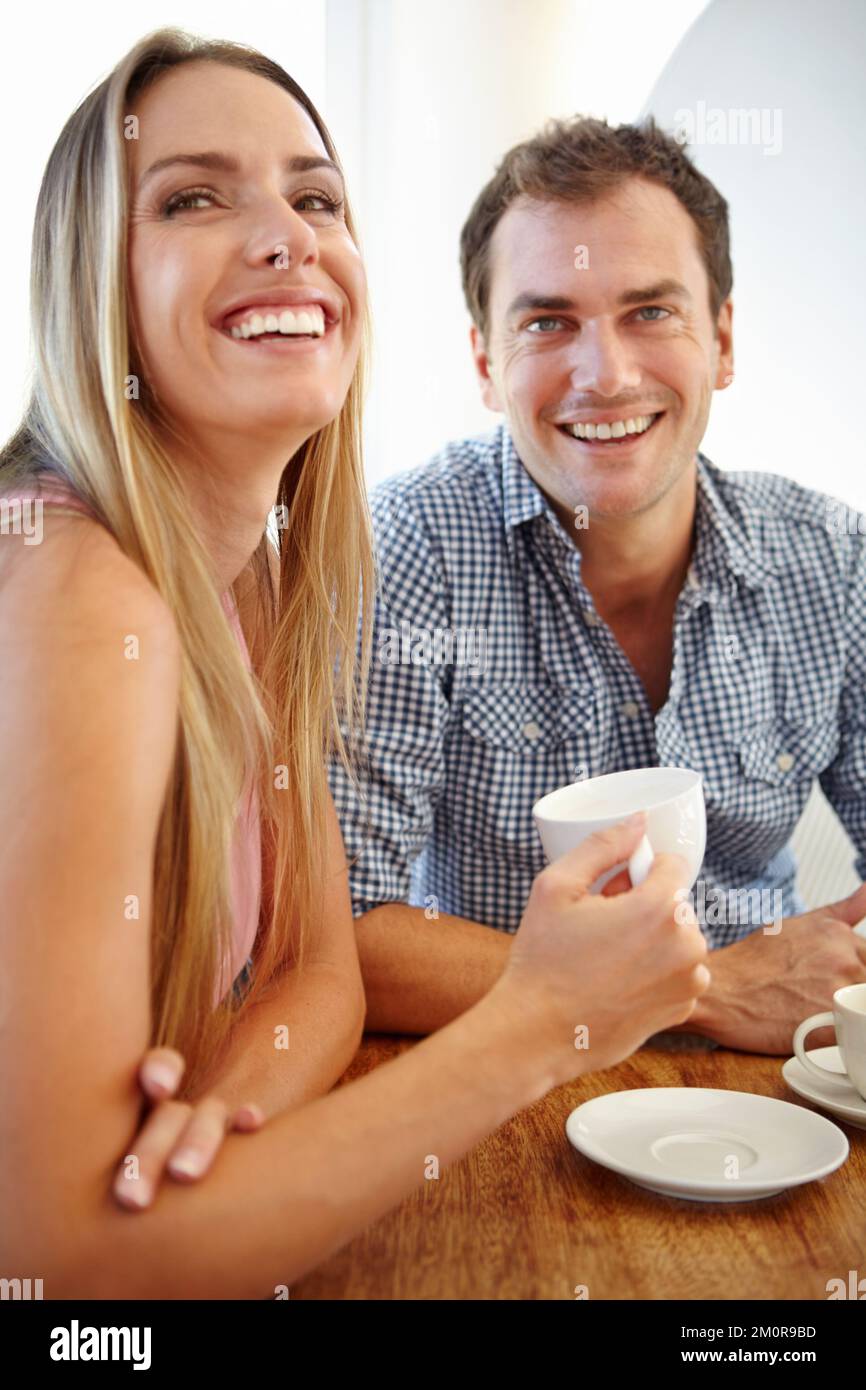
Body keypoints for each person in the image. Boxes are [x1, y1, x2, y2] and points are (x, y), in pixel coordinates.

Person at [0, 29, 708, 1299]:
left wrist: (218, 1117)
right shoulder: (71, 599)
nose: (288, 236)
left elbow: (314, 972)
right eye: (194, 196)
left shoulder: (261, 574)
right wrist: (540, 1022)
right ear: (91, 285)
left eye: (313, 195)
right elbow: (59, 1275)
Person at [329, 114, 866, 1056]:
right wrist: (702, 988)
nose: (605, 374)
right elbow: (336, 937)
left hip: (780, 1081)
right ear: (488, 365)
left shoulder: (835, 557)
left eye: (650, 312)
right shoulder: (401, 548)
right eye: (548, 322)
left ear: (723, 340)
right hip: (495, 1083)